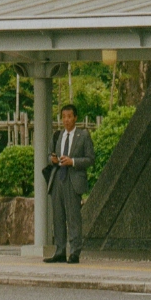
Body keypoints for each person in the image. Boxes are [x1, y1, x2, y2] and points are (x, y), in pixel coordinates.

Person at [46, 102, 94, 263]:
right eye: (63, 117)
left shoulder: (83, 136)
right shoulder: (58, 135)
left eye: (69, 116)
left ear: (75, 118)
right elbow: (50, 155)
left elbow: (90, 159)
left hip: (73, 180)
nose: (66, 120)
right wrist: (52, 159)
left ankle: (74, 252)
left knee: (73, 217)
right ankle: (60, 251)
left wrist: (72, 161)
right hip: (58, 178)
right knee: (58, 217)